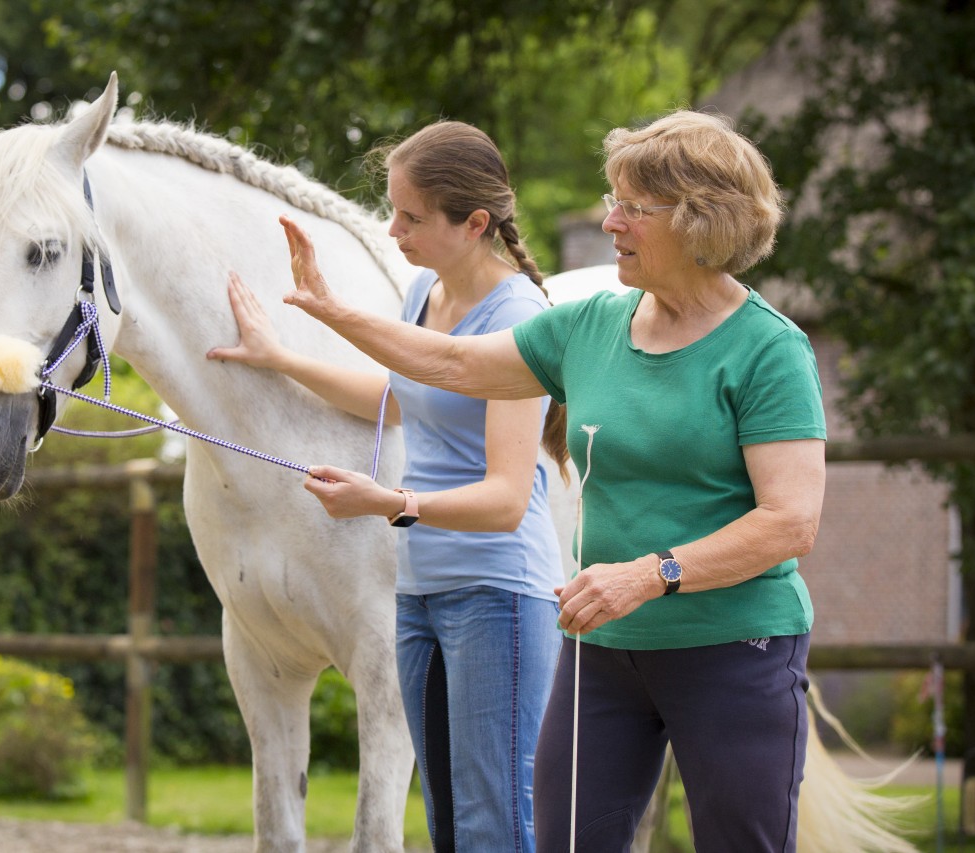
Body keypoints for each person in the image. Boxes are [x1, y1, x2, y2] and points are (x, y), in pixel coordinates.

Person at [266, 109, 827, 853]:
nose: (610, 220)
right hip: (604, 650)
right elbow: (452, 364)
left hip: (735, 649)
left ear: (701, 221)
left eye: (632, 207)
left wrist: (651, 574)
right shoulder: (587, 326)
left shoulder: (768, 352)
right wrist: (332, 313)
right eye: (613, 200)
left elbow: (791, 522)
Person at [208, 120, 567, 852]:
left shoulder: (519, 320)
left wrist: (389, 503)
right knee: (445, 829)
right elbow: (399, 398)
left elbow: (504, 500)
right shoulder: (424, 297)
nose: (391, 228)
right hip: (422, 595)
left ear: (473, 224)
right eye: (392, 209)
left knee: (495, 826)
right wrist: (280, 359)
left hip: (496, 595)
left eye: (411, 217)